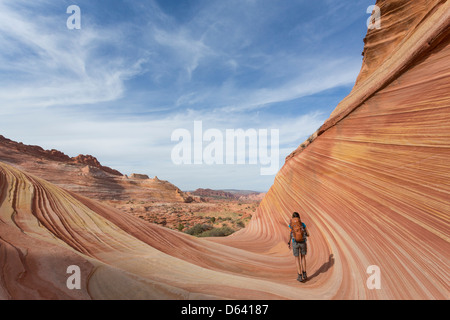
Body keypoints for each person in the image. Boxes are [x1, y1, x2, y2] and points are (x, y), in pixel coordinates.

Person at [288, 212, 309, 282]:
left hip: (295, 242)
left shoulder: (291, 225)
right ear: (299, 218)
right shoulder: (302, 224)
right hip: (302, 242)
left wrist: (289, 242)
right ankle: (304, 273)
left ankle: (300, 276)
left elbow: (290, 234)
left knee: (297, 259)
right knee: (303, 257)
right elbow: (308, 234)